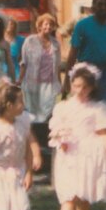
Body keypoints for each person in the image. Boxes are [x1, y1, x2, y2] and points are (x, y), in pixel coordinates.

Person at [50, 63, 106, 210]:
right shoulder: (62, 108)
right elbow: (55, 129)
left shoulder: (97, 108)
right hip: (69, 155)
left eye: (85, 87)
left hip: (88, 155)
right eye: (77, 86)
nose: (80, 90)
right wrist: (60, 138)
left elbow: (104, 131)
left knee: (83, 195)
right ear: (71, 84)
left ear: (92, 88)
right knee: (68, 196)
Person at [19, 14, 62, 172]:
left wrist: (60, 82)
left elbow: (57, 66)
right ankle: (32, 147)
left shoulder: (56, 44)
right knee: (33, 114)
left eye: (51, 25)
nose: (48, 27)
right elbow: (23, 62)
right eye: (45, 24)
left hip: (49, 84)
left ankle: (43, 145)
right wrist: (20, 80)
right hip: (32, 83)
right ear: (39, 26)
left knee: (47, 113)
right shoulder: (30, 41)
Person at [64, 0, 106, 103]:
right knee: (85, 108)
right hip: (86, 74)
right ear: (93, 6)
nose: (103, 8)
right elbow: (73, 53)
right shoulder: (82, 25)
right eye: (100, 4)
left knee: (102, 110)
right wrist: (67, 80)